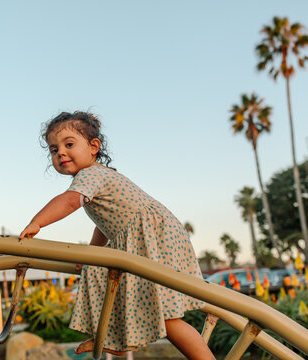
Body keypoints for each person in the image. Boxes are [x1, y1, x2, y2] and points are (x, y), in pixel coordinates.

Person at [19, 111, 215, 360]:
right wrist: (92, 251)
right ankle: (115, 337)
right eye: (54, 149)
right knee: (108, 276)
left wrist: (38, 222)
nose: (60, 153)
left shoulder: (90, 175)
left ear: (93, 147)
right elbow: (104, 224)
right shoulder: (97, 177)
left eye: (69, 144)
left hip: (153, 237)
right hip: (152, 235)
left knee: (167, 316)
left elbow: (68, 202)